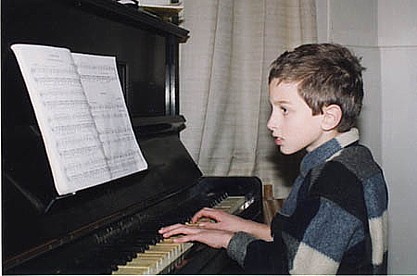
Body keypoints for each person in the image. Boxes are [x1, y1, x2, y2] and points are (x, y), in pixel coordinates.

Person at [159, 43, 388, 274]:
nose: (271, 123)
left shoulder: (334, 183)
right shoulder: (353, 161)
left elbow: (291, 270)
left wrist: (228, 241)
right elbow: (299, 241)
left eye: (284, 110)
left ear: (328, 117)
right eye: (273, 108)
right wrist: (239, 226)